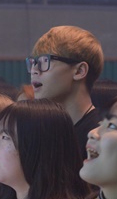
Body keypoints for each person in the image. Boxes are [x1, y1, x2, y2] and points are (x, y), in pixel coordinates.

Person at [27, 25, 104, 156]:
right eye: (33, 62)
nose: (34, 70)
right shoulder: (44, 133)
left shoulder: (99, 136)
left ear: (79, 71)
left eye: (45, 61)